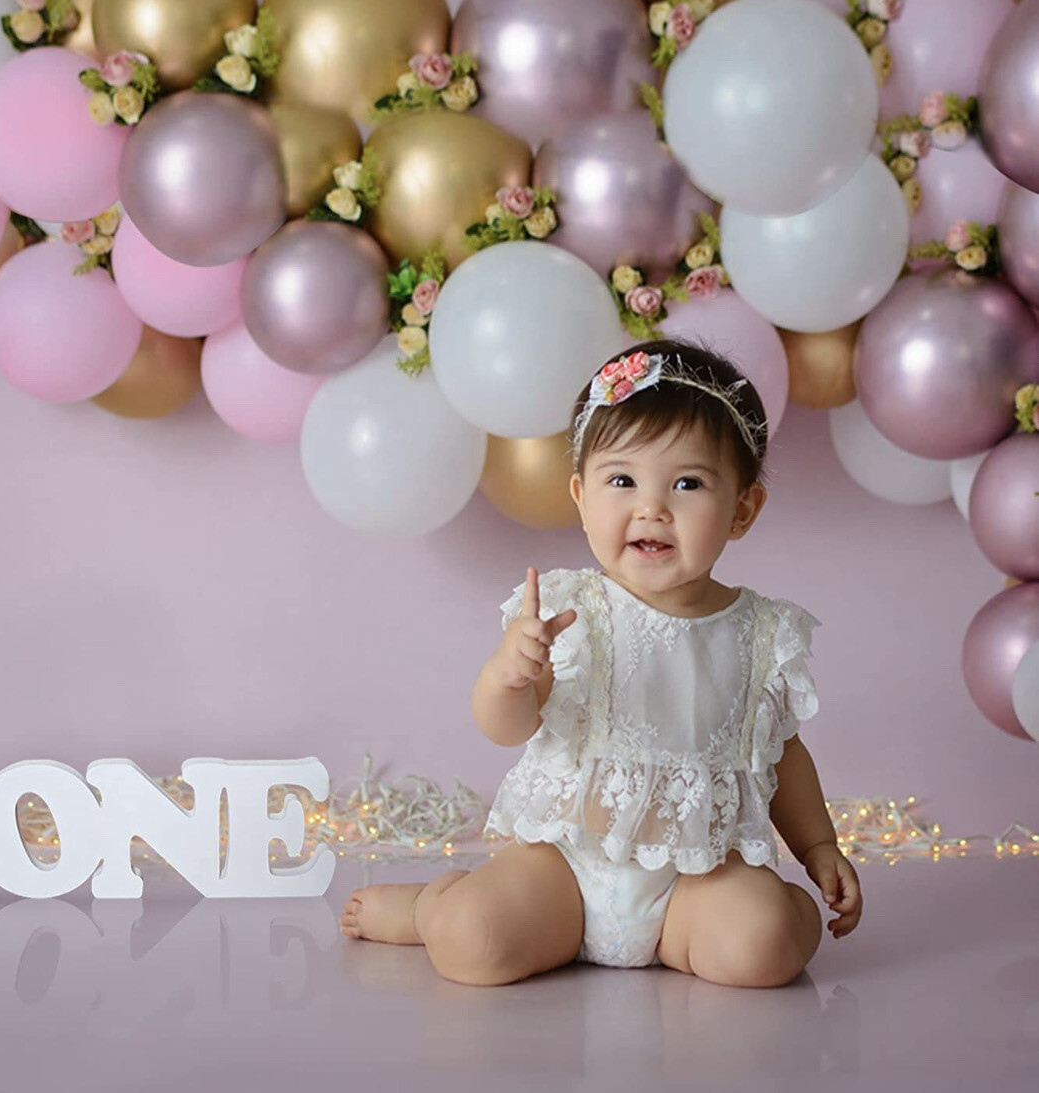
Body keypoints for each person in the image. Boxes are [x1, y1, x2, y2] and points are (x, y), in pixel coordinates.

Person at [339, 339, 863, 988]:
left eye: (688, 483)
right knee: (472, 938)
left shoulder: (760, 633)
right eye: (622, 480)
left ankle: (767, 918)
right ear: (582, 497)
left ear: (743, 510)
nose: (651, 507)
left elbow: (780, 754)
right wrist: (511, 675)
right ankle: (428, 906)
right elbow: (506, 726)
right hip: (563, 867)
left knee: (767, 944)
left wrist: (818, 847)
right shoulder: (570, 612)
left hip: (693, 880)